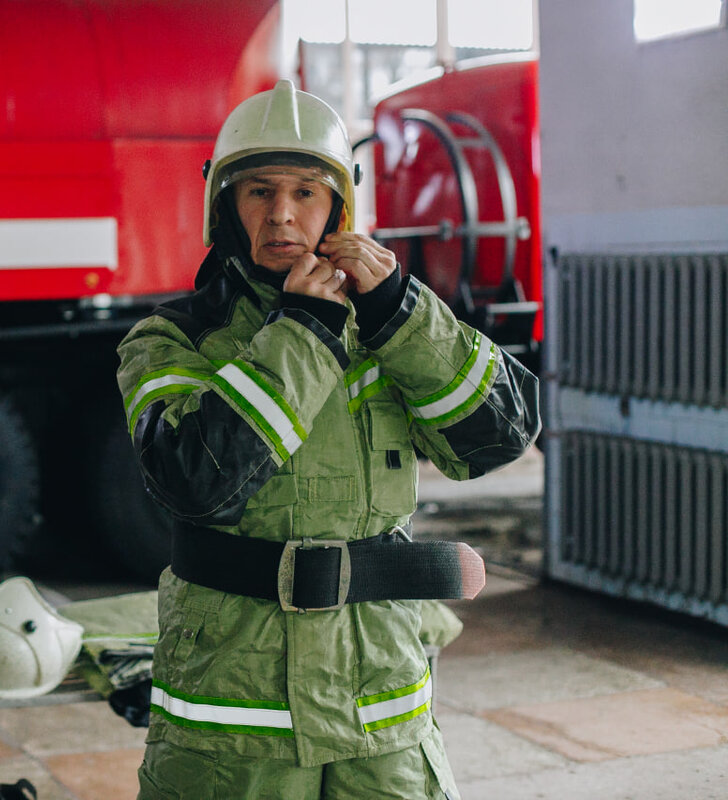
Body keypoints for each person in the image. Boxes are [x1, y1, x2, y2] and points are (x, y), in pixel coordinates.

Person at [115, 79, 540, 799]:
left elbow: (500, 436)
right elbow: (196, 480)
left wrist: (402, 314)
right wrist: (303, 333)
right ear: (225, 205)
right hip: (232, 715)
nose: (282, 213)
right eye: (259, 191)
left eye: (306, 192)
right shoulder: (171, 338)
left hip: (382, 705)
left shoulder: (391, 325)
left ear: (340, 209)